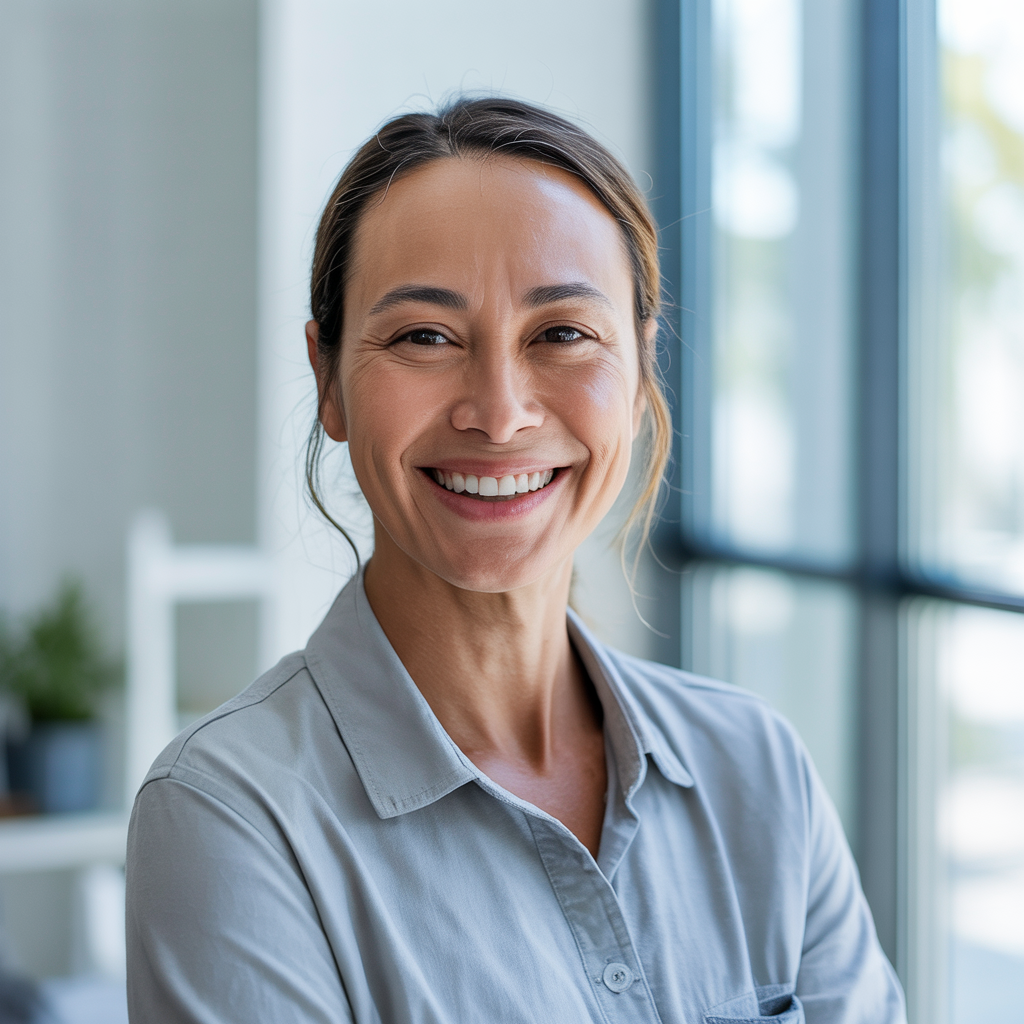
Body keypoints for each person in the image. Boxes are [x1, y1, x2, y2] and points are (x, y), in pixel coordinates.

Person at [125, 97, 906, 1024]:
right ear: (328, 378)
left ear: (641, 372)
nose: (498, 414)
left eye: (562, 334)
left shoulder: (757, 771)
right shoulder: (229, 818)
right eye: (424, 336)